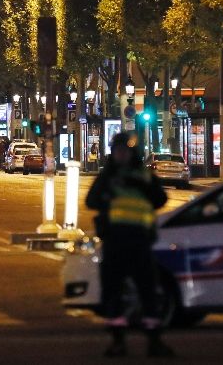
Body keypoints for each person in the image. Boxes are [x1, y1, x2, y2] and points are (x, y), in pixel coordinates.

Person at [85, 131, 171, 358]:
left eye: (125, 151)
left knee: (148, 291)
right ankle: (117, 341)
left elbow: (160, 199)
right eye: (117, 151)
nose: (121, 155)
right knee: (113, 292)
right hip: (114, 242)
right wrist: (107, 195)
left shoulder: (143, 176)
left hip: (140, 241)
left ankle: (154, 340)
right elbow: (90, 200)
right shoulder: (108, 176)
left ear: (133, 153)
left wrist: (139, 186)